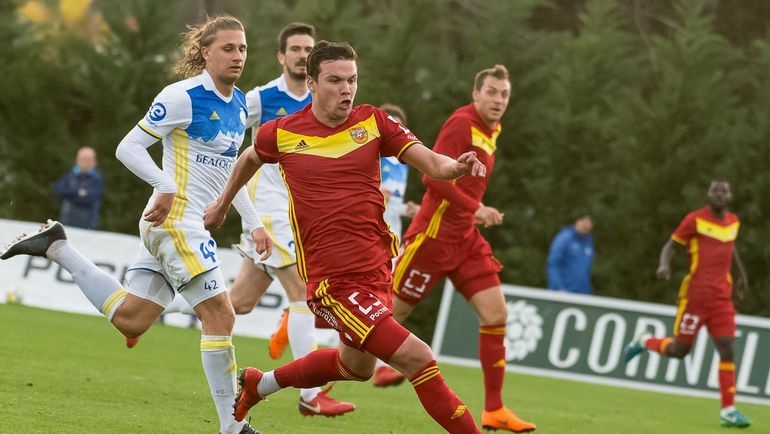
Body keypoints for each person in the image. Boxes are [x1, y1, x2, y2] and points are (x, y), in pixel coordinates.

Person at [204, 40, 487, 433]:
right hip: (334, 283)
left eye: (352, 80)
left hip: (377, 272)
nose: (346, 89)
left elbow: (431, 162)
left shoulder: (373, 122)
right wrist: (222, 205)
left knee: (355, 368)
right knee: (419, 358)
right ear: (312, 83)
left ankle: (260, 383)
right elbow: (250, 157)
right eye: (335, 81)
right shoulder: (283, 132)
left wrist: (455, 167)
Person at [1, 15, 262, 434]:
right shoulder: (183, 96)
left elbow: (234, 174)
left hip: (177, 225)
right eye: (228, 48)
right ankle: (233, 428)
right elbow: (129, 147)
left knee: (132, 319)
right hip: (176, 221)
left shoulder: (240, 105)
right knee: (221, 315)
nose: (238, 56)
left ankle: (56, 246)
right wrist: (164, 185)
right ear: (205, 52)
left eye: (243, 48)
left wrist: (254, 224)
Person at [389, 65, 537, 432]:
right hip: (433, 238)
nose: (499, 100)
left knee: (496, 314)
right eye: (492, 92)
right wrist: (477, 209)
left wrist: (473, 212)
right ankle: (320, 380)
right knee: (383, 319)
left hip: (465, 239)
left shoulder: (492, 130)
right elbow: (431, 177)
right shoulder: (462, 124)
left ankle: (494, 410)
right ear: (476, 94)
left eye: (504, 94)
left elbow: (466, 184)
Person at [230, 22, 355, 417]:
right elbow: (228, 139)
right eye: (296, 49)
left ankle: (147, 307)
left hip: (298, 213)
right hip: (269, 209)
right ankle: (310, 395)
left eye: (307, 50)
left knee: (237, 304)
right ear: (281, 57)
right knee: (302, 293)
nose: (302, 55)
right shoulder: (260, 98)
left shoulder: (324, 101)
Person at [624, 180, 751, 428]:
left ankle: (728, 410)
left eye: (723, 191)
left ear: (730, 196)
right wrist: (664, 265)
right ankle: (645, 341)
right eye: (715, 191)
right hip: (696, 296)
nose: (719, 195)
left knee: (726, 346)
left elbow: (731, 248)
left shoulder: (733, 222)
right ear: (708, 195)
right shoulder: (695, 219)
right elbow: (670, 245)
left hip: (721, 298)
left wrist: (742, 277)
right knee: (679, 351)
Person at [372, 103, 420, 387]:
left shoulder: (401, 163)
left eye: (399, 126)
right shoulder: (368, 153)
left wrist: (407, 209)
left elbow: (392, 203)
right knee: (376, 300)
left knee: (382, 300)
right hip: (367, 236)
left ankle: (380, 365)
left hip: (392, 239)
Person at [53, 146, 105, 229]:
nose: (85, 162)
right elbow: (58, 190)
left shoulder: (97, 179)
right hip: (66, 222)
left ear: (94, 161)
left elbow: (90, 198)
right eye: (83, 159)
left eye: (88, 159)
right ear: (77, 160)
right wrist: (78, 192)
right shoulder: (70, 175)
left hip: (87, 225)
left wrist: (70, 195)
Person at [546, 212, 594, 294]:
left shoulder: (589, 243)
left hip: (581, 294)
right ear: (576, 221)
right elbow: (553, 265)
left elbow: (586, 270)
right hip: (562, 293)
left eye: (588, 222)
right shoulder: (564, 238)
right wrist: (559, 289)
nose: (585, 225)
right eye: (583, 221)